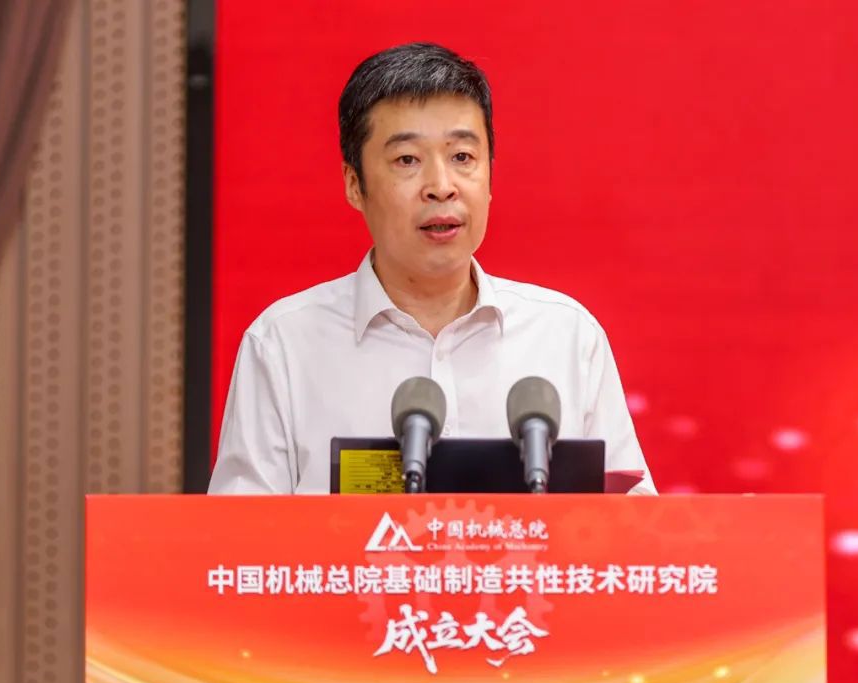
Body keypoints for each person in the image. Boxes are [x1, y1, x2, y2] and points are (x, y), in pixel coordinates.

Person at [209, 43, 655, 495]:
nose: (441, 187)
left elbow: (634, 524)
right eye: (407, 160)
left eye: (462, 157)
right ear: (354, 184)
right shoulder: (283, 345)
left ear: (490, 175)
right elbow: (241, 532)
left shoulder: (566, 337)